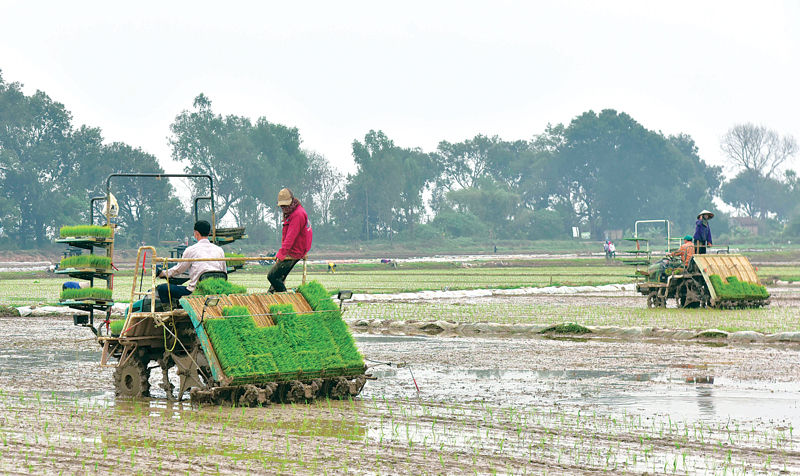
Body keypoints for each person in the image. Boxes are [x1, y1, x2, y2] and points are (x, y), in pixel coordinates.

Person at [156, 220, 225, 304]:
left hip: (195, 292)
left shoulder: (191, 250)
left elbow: (178, 270)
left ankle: (169, 315)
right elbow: (224, 272)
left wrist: (163, 273)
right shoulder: (219, 250)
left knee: (162, 288)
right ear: (209, 233)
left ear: (196, 233)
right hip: (216, 291)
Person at [268, 188, 313, 293]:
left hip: (294, 251)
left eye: (285, 205)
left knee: (272, 276)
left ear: (291, 201)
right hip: (294, 250)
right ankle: (271, 296)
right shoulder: (293, 212)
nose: (283, 208)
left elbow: (290, 237)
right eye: (282, 206)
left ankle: (284, 297)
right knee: (279, 278)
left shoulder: (297, 215)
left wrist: (281, 254)